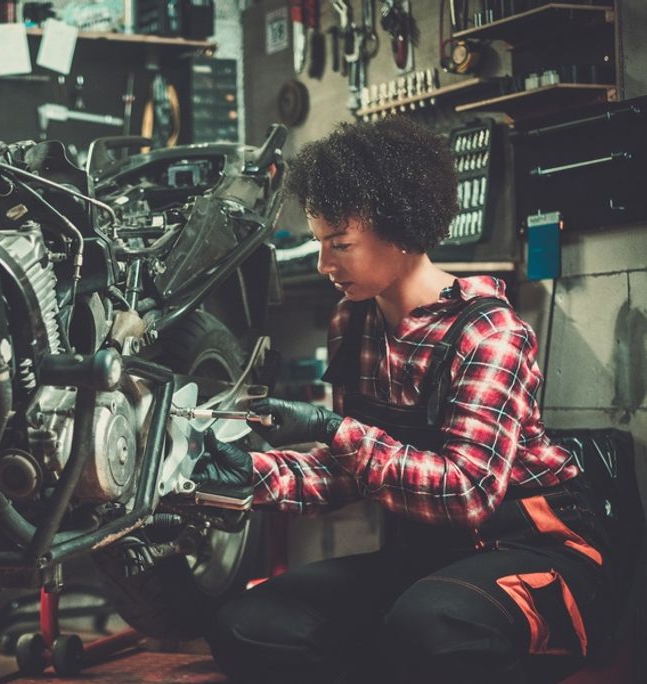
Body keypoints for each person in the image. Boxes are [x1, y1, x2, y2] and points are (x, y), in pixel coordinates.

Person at [192, 117, 612, 683]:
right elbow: (355, 471)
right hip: (429, 557)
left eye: (340, 244)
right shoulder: (350, 324)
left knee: (431, 627)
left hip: (534, 551)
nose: (323, 265)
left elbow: (467, 493)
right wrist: (253, 475)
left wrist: (331, 427)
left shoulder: (489, 333)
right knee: (246, 624)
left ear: (400, 226)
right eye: (319, 243)